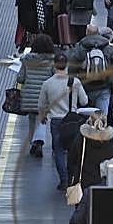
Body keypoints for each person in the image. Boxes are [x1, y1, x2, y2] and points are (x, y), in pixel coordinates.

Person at [65, 112, 113, 224]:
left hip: (83, 181)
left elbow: (72, 159)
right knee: (100, 216)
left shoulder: (81, 140)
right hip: (103, 183)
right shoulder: (111, 141)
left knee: (81, 213)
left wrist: (71, 176)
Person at [36, 54, 89, 191]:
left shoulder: (47, 84)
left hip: (56, 121)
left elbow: (41, 105)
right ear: (67, 65)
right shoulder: (75, 82)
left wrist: (43, 116)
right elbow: (84, 101)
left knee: (58, 150)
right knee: (74, 150)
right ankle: (73, 178)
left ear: (54, 65)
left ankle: (64, 179)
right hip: (72, 120)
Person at [16, 34, 57, 156]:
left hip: (29, 96)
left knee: (32, 119)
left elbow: (20, 78)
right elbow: (55, 77)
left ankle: (33, 142)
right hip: (45, 97)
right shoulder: (52, 61)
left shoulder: (27, 60)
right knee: (42, 118)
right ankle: (39, 142)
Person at [68, 24, 113, 113]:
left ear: (86, 33)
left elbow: (72, 69)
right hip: (104, 88)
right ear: (98, 33)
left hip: (85, 89)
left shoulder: (80, 48)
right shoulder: (107, 47)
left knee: (87, 117)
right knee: (102, 117)